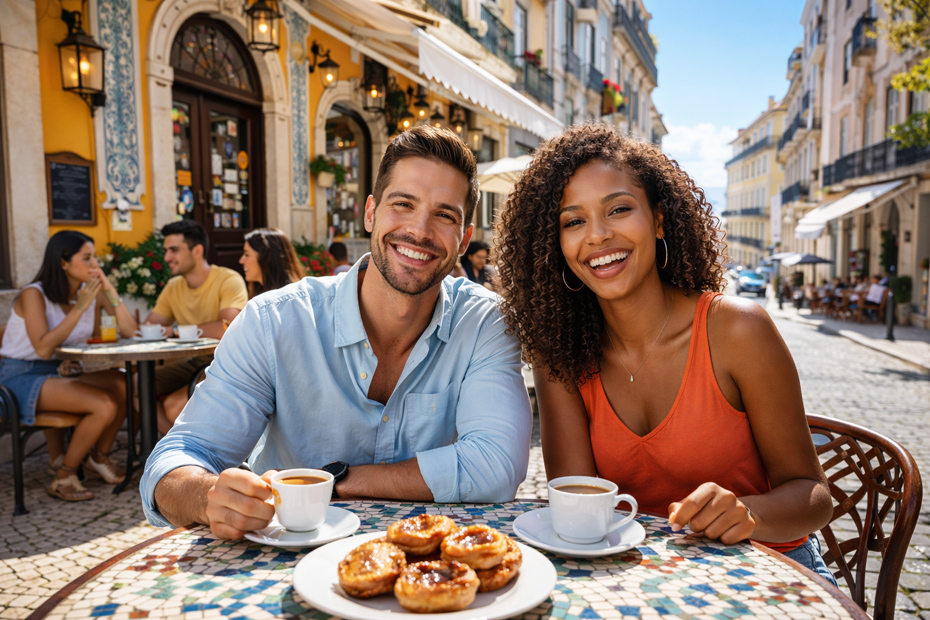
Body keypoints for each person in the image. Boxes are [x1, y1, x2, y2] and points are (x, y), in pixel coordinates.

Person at [141, 125, 532, 539]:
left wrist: (333, 481)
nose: (419, 230)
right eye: (403, 204)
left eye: (444, 215)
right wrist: (206, 496)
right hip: (284, 564)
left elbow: (496, 465)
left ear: (463, 239)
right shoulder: (274, 321)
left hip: (424, 563)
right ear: (370, 213)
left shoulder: (485, 322)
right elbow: (176, 460)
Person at [493, 123, 835, 583]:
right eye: (573, 221)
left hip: (768, 572)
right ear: (556, 246)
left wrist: (747, 513)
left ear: (658, 219)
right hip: (640, 578)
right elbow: (576, 506)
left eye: (618, 209)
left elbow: (813, 496)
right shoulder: (561, 357)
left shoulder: (737, 330)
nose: (597, 235)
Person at [0, 231, 135, 500]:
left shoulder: (88, 294)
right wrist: (80, 308)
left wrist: (107, 288)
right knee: (103, 404)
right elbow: (43, 347)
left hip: (59, 372)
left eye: (95, 258)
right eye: (87, 258)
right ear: (63, 262)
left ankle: (97, 458)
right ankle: (64, 477)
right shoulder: (33, 295)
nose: (94, 265)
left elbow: (130, 329)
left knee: (123, 383)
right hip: (20, 376)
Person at [142, 220, 248, 433]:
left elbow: (226, 328)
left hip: (224, 364)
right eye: (166, 251)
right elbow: (148, 328)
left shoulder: (228, 279)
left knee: (172, 407)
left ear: (197, 250)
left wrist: (175, 331)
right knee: (136, 387)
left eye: (174, 250)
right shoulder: (174, 286)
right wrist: (109, 294)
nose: (167, 258)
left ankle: (185, 455)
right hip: (190, 361)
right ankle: (168, 449)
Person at [239, 228, 305, 298]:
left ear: (266, 258)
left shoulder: (291, 298)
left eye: (247, 255)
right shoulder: (258, 293)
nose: (241, 261)